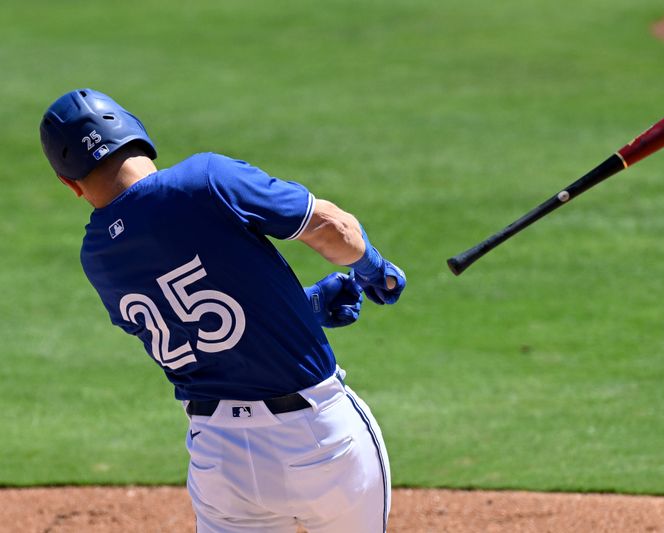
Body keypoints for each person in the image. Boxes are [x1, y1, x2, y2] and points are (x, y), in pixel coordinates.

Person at [39, 88, 406, 533]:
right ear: (136, 133)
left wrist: (305, 307)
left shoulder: (96, 256)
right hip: (319, 441)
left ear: (69, 183)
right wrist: (371, 266)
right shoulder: (204, 179)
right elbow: (330, 228)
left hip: (219, 459)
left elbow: (197, 327)